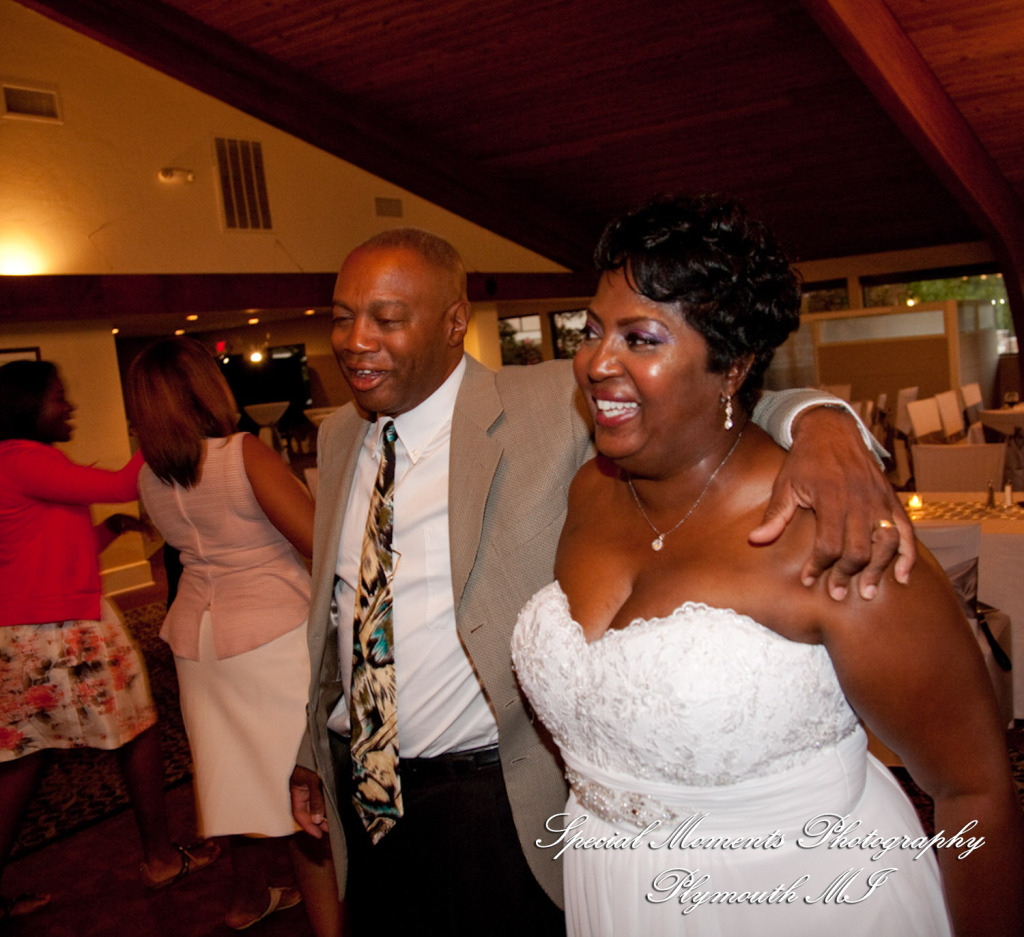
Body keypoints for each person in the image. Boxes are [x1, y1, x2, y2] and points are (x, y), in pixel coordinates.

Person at [289, 225, 916, 936]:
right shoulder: (340, 435)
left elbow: (704, 393)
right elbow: (343, 608)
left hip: (491, 801)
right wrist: (315, 747)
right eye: (342, 317)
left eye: (386, 318)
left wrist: (822, 423)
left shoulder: (549, 401)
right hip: (362, 792)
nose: (356, 340)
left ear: (454, 321)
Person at [511, 194, 1024, 935]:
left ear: (733, 368)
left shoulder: (834, 534)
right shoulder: (589, 489)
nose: (596, 362)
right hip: (613, 893)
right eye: (591, 331)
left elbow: (973, 790)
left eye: (640, 339)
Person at [127, 338, 342, 934]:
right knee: (309, 794)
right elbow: (317, 541)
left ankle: (252, 900)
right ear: (207, 389)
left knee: (251, 784)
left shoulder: (149, 475)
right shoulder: (240, 453)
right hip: (270, 635)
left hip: (201, 644)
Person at [0, 359, 219, 922]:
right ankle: (160, 859)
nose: (69, 406)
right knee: (138, 731)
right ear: (26, 406)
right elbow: (124, 483)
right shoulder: (23, 460)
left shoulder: (16, 463)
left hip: (27, 627)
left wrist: (112, 529)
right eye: (57, 397)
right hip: (62, 631)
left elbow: (46, 553)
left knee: (23, 759)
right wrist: (164, 419)